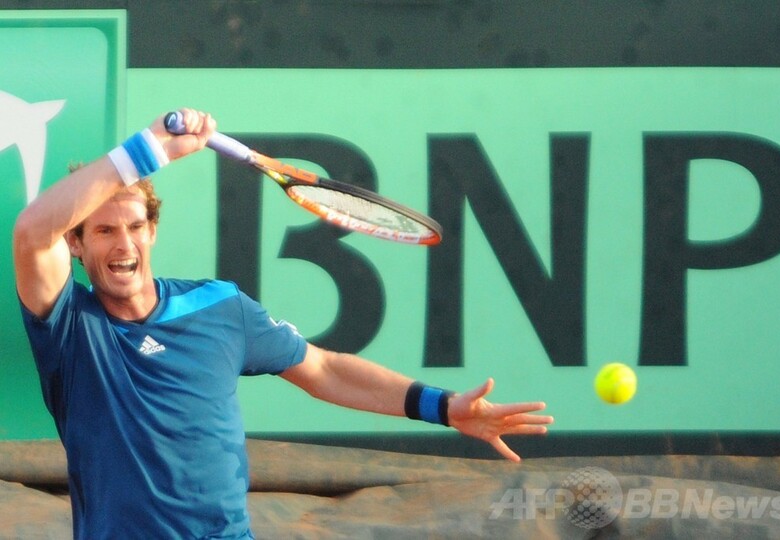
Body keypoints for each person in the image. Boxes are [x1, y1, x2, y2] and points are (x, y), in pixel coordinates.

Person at [13, 108, 554, 539]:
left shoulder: (219, 307)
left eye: (134, 226)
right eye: (104, 231)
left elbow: (324, 370)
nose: (124, 244)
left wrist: (443, 406)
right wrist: (149, 148)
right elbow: (33, 232)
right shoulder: (68, 324)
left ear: (152, 232)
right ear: (76, 244)